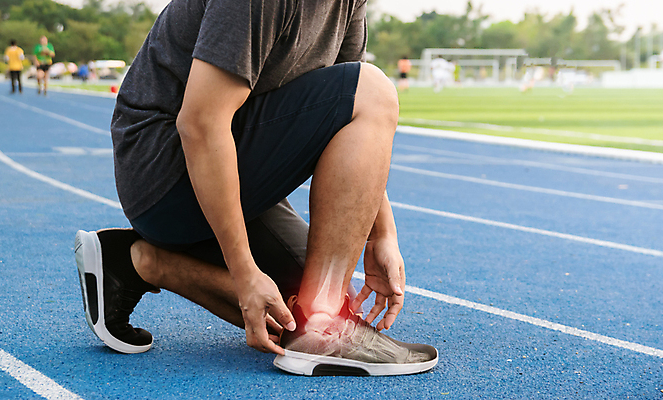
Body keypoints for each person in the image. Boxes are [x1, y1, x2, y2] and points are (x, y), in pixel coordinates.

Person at [74, 0, 438, 376]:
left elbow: (351, 118)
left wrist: (381, 235)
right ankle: (324, 330)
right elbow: (200, 124)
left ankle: (141, 262)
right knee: (375, 89)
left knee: (297, 311)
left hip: (224, 164)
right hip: (165, 173)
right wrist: (245, 272)